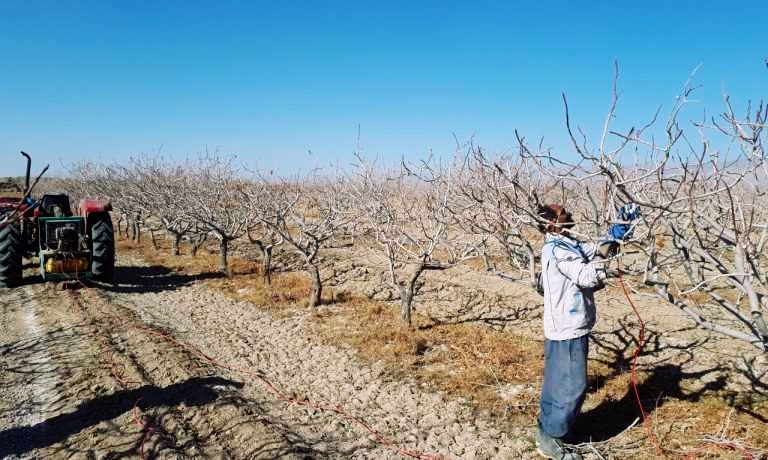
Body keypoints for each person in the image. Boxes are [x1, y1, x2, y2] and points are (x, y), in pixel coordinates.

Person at [534, 203, 640, 460]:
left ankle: (548, 430)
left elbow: (597, 250)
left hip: (568, 325)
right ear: (552, 224)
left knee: (556, 383)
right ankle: (553, 440)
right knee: (572, 386)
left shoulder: (568, 243)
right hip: (566, 329)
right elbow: (586, 275)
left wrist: (618, 231)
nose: (570, 213)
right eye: (563, 213)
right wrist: (608, 266)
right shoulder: (558, 250)